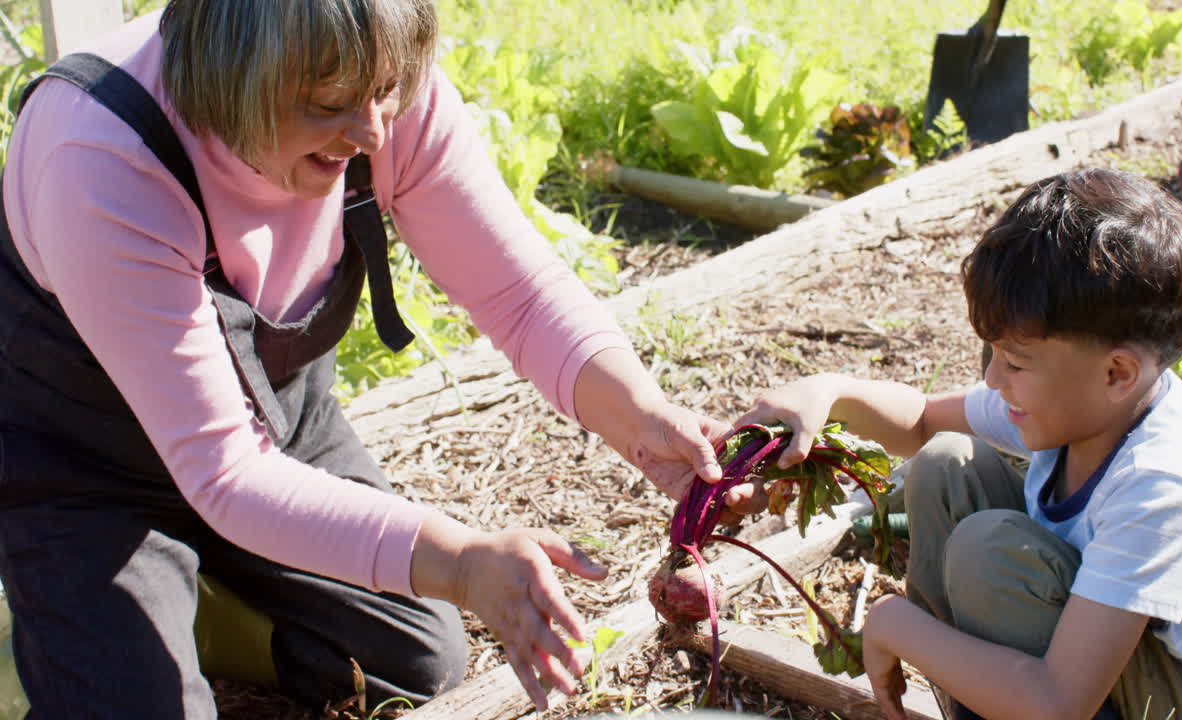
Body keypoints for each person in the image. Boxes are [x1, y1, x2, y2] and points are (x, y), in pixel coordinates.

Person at [0, 1, 746, 717]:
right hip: (87, 468)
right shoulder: (100, 156)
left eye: (385, 92)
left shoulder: (374, 83)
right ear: (231, 81)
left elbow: (519, 295)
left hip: (274, 422)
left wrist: (644, 417)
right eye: (328, 105)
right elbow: (225, 474)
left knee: (415, 660)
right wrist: (459, 561)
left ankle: (207, 611)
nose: (372, 130)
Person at [737, 168, 1182, 720]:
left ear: (1118, 372)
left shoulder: (1165, 487)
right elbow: (923, 420)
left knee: (991, 555)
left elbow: (1059, 702)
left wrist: (897, 625)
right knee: (947, 466)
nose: (994, 378)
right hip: (1133, 672)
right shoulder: (1093, 405)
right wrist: (830, 392)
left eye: (1015, 362)